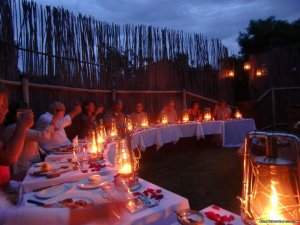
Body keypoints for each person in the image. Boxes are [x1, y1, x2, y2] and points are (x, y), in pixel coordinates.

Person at [0, 85, 126, 225]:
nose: (4, 110)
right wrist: (92, 213)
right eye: (1, 106)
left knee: (77, 173)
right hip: (40, 162)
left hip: (38, 166)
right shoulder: (40, 120)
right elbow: (47, 134)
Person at [0, 102, 62, 175]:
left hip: (26, 167)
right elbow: (43, 136)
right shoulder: (16, 128)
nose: (30, 117)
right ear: (17, 115)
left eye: (30, 114)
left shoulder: (12, 128)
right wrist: (54, 120)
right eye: (25, 115)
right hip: (24, 170)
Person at [0, 85, 34, 187]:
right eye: (1, 105)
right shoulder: (13, 128)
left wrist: (13, 178)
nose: (6, 110)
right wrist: (22, 126)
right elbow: (9, 158)